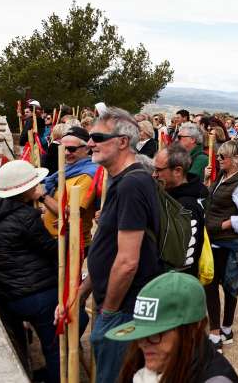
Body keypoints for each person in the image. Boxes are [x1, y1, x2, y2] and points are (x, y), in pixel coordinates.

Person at [65, 108, 163, 382]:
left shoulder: (132, 184)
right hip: (118, 307)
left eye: (97, 136)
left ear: (122, 141)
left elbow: (127, 261)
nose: (90, 143)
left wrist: (108, 312)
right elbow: (107, 247)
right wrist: (84, 291)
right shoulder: (119, 180)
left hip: (124, 311)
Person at [0, 160, 61, 383]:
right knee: (55, 348)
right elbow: (51, 251)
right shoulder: (26, 216)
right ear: (26, 190)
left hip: (7, 297)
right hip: (41, 295)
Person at [108, 272, 238, 383]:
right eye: (140, 333)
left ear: (195, 328)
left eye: (156, 333)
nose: (143, 343)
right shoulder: (142, 362)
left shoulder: (215, 380)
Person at [204, 140, 238, 349]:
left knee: (226, 286)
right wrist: (207, 181)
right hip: (217, 240)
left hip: (229, 243)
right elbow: (214, 202)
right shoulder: (224, 176)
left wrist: (225, 224)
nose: (218, 160)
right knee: (215, 285)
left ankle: (221, 331)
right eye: (218, 156)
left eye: (222, 157)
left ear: (236, 159)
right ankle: (221, 330)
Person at [153, 144, 207, 278]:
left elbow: (183, 259)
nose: (154, 174)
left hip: (176, 282)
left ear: (177, 171)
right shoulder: (165, 194)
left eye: (159, 170)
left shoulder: (187, 206)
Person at [41, 126, 100, 248]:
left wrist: (42, 196)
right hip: (56, 239)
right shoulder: (68, 169)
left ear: (87, 149)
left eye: (72, 149)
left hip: (72, 243)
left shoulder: (88, 175)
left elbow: (73, 212)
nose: (66, 153)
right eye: (63, 148)